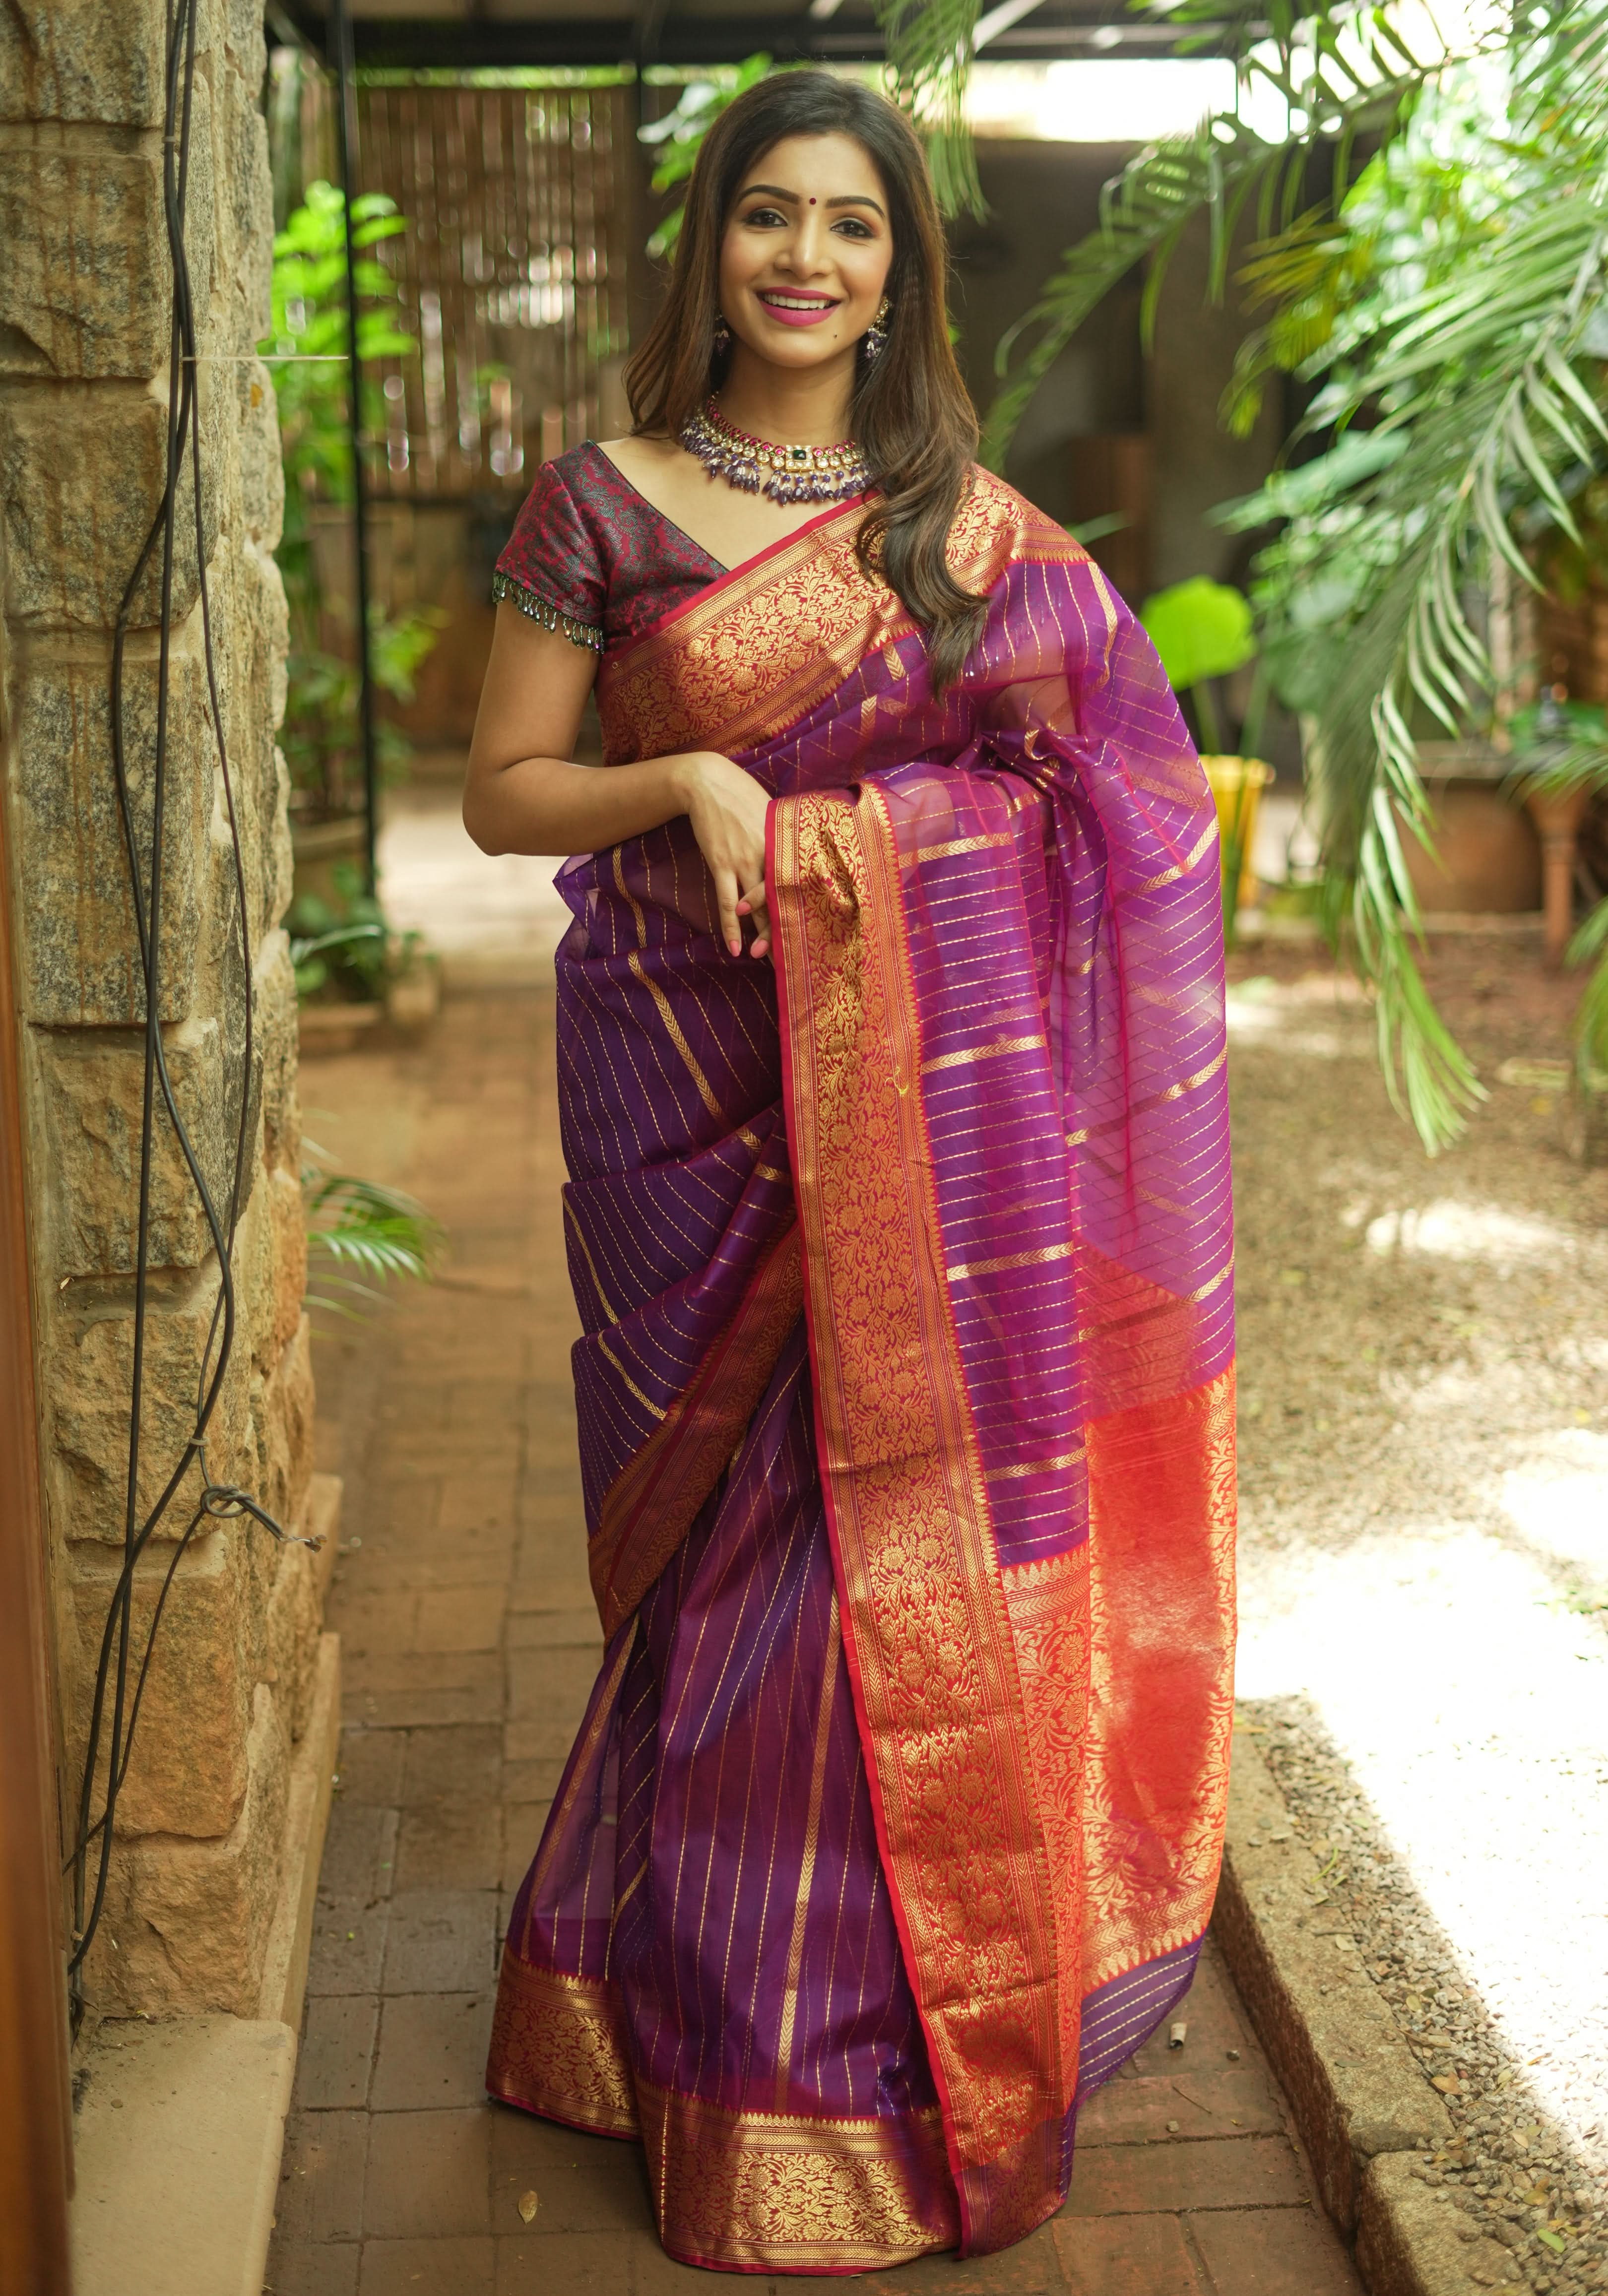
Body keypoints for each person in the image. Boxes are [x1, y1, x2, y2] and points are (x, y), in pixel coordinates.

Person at [464, 69, 1236, 2276]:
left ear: (901, 272)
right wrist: (687, 771)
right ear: (708, 244)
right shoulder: (596, 505)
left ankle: (875, 2051)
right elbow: (508, 794)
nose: (808, 259)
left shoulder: (961, 527)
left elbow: (1124, 801)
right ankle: (683, 2026)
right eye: (769, 217)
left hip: (925, 1131)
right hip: (688, 1108)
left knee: (864, 1570)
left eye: (855, 228)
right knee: (725, 1575)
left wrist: (889, 867)